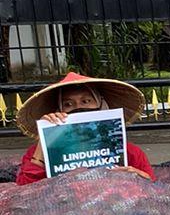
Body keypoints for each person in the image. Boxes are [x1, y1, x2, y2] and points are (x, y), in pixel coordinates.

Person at [14, 71, 154, 184]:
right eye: (68, 104)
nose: (78, 108)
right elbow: (24, 192)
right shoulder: (37, 153)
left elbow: (153, 188)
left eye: (86, 101)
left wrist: (140, 177)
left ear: (101, 105)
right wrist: (45, 141)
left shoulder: (130, 152)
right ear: (59, 110)